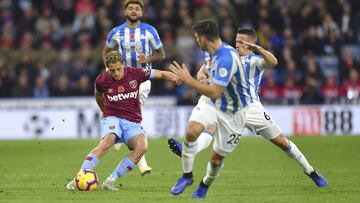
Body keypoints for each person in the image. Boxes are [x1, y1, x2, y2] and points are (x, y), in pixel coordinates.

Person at [168, 28, 329, 198]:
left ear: (251, 43)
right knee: (213, 129)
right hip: (229, 107)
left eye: (241, 42)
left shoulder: (254, 60)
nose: (237, 44)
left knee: (282, 142)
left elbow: (273, 62)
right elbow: (204, 70)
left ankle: (310, 171)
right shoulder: (227, 56)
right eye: (236, 41)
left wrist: (258, 49)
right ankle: (190, 152)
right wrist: (200, 76)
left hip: (252, 108)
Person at [66, 51, 178, 191]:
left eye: (119, 69)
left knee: (141, 147)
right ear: (107, 68)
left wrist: (172, 77)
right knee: (108, 141)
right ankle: (79, 178)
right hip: (113, 117)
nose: (117, 73)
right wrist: (104, 111)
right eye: (112, 70)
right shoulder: (102, 80)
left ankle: (111, 180)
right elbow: (98, 95)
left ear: (123, 65)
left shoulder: (136, 73)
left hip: (132, 121)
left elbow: (160, 73)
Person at [168, 19, 246, 199]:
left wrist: (189, 81)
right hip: (211, 103)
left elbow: (216, 92)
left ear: (203, 38)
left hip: (232, 111)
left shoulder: (227, 57)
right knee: (191, 131)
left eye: (196, 37)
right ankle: (186, 176)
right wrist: (201, 75)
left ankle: (204, 185)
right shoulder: (211, 52)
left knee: (216, 159)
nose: (195, 40)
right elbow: (206, 73)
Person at [103, 0, 166, 175]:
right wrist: (109, 70)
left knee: (131, 114)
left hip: (143, 80)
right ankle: (137, 155)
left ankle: (123, 142)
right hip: (121, 80)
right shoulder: (116, 32)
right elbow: (106, 51)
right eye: (130, 8)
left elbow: (162, 54)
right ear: (124, 11)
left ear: (142, 13)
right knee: (131, 117)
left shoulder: (150, 31)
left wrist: (149, 59)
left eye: (137, 8)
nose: (133, 11)